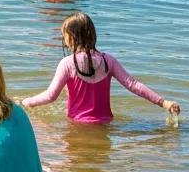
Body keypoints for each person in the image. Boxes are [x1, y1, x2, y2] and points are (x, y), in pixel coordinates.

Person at [21, 12, 180, 123]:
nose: (64, 40)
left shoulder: (67, 64)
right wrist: (164, 103)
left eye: (65, 36)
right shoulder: (107, 61)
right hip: (105, 124)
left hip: (77, 125)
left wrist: (28, 102)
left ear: (73, 37)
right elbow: (133, 85)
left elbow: (50, 96)